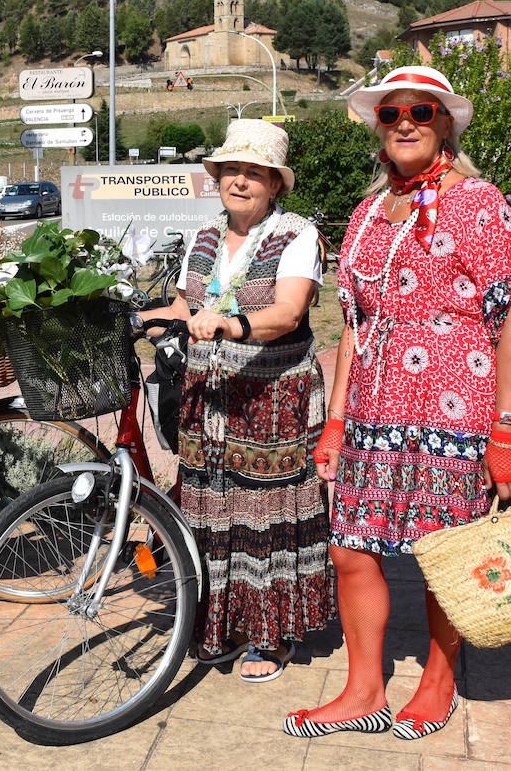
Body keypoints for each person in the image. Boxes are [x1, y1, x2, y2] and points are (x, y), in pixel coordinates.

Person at [284, 66, 511, 740]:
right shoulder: (368, 212)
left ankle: (438, 679)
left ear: (445, 122)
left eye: (420, 112)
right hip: (371, 407)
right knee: (350, 550)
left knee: (443, 555)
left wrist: (508, 433)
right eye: (391, 112)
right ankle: (363, 690)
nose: (403, 122)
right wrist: (335, 420)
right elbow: (355, 327)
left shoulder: (480, 201)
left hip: (455, 406)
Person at [136, 118, 336, 683]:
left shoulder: (297, 235)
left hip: (272, 395)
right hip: (209, 397)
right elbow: (184, 308)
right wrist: (139, 317)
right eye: (232, 171)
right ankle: (217, 624)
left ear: (275, 184)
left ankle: (269, 636)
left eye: (255, 173)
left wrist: (230, 324)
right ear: (218, 177)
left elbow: (289, 313)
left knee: (266, 516)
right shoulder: (202, 238)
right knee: (210, 508)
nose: (240, 181)